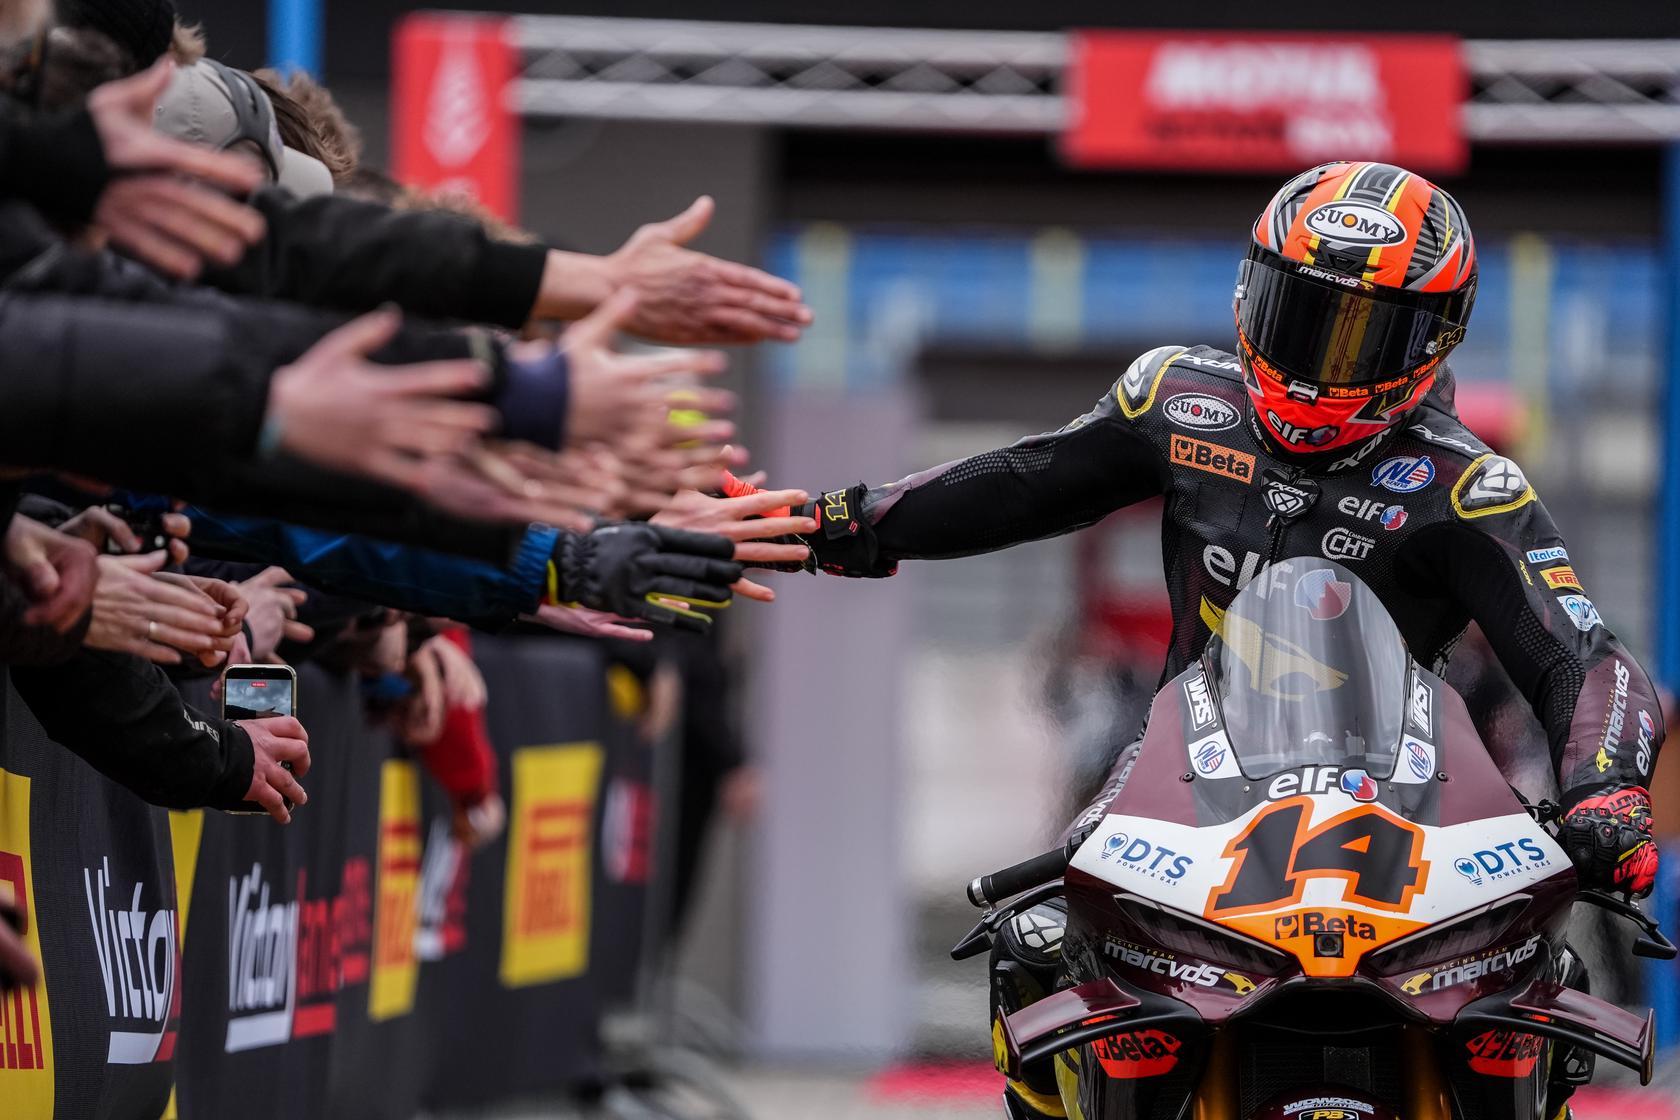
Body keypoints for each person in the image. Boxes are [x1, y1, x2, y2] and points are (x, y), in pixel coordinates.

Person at [740, 162, 1662, 1120]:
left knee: (1531, 972)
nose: (1320, 359)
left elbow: (1584, 657)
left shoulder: (1468, 486)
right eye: (1300, 312)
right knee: (1035, 946)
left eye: (1363, 333)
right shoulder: (1176, 399)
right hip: (1186, 776)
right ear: (1249, 292)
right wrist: (838, 522)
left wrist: (1609, 792)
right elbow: (1021, 480)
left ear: (1433, 342)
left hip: (1409, 801)